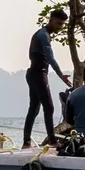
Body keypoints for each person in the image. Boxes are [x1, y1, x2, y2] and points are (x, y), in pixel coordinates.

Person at [24, 9, 71, 148]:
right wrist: (61, 75)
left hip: (35, 74)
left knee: (34, 109)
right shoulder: (43, 35)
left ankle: (26, 142)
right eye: (58, 23)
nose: (60, 27)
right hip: (37, 74)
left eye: (62, 24)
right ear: (50, 20)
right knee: (49, 107)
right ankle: (52, 141)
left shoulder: (43, 34)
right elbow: (50, 57)